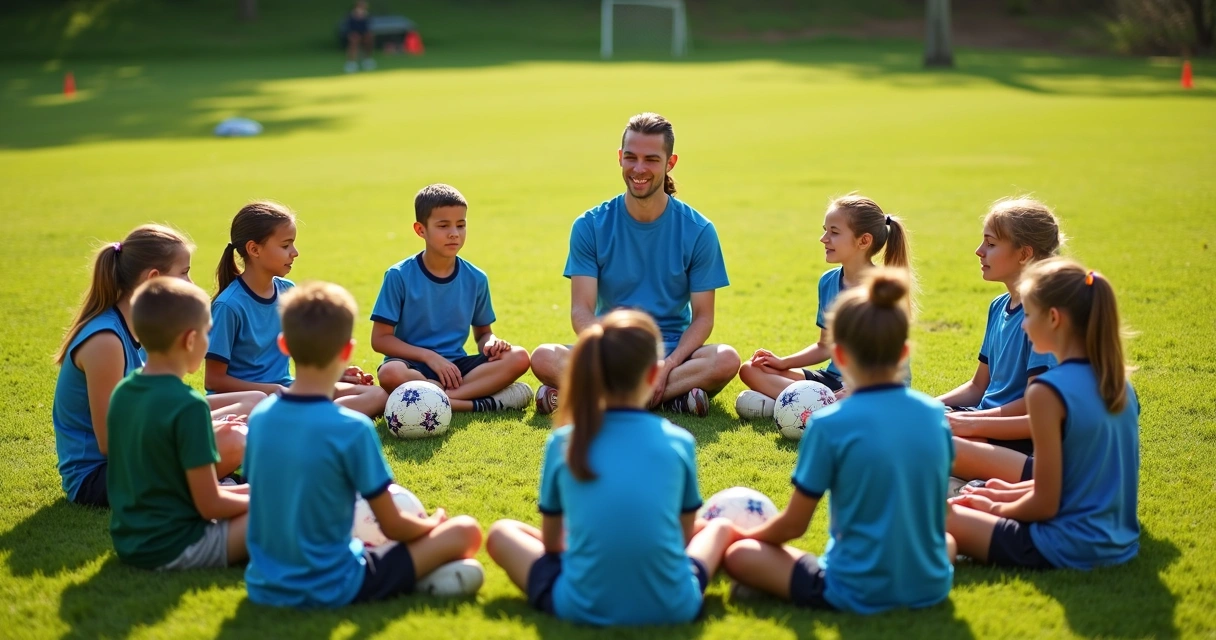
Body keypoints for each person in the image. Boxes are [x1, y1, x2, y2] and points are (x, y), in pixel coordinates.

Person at [723, 269, 954, 614]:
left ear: (841, 356)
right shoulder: (934, 414)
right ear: (903, 352)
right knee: (947, 542)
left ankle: (764, 582)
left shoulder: (828, 425)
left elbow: (794, 525)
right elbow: (941, 514)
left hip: (853, 588)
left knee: (741, 556)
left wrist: (736, 540)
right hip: (931, 583)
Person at [485, 310, 737, 625]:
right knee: (718, 527)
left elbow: (551, 546)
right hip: (674, 607)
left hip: (579, 605)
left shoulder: (563, 441)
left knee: (502, 532)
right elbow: (683, 539)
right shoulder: (680, 441)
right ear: (652, 376)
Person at [244, 281, 484, 608]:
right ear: (347, 351)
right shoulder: (351, 428)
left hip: (263, 584)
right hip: (334, 585)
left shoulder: (259, 418)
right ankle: (419, 577)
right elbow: (394, 525)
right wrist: (431, 523)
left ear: (284, 345)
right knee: (466, 531)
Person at [530, 113, 740, 418]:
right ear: (619, 158)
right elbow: (582, 311)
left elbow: (703, 318)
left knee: (726, 359)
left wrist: (667, 366)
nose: (639, 169)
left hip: (671, 352)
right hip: (608, 348)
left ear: (670, 162)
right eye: (631, 157)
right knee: (543, 357)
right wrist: (607, 352)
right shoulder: (590, 226)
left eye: (651, 159)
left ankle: (595, 396)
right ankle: (671, 399)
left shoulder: (699, 230)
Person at [947, 259, 1140, 570]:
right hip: (1116, 541)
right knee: (971, 496)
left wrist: (993, 506)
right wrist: (1006, 490)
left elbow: (1045, 503)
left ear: (1053, 318)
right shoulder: (1116, 382)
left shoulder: (1047, 392)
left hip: (1066, 545)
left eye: (1029, 314)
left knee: (933, 514)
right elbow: (1075, 479)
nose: (1023, 324)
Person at [52, 224, 262, 508]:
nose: (191, 282)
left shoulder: (137, 324)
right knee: (234, 440)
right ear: (154, 279)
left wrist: (205, 423)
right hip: (102, 476)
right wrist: (199, 429)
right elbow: (110, 443)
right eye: (184, 272)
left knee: (255, 402)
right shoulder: (105, 341)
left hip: (135, 454)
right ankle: (214, 483)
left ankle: (217, 477)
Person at [108, 278, 250, 570]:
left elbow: (183, 489)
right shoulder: (188, 406)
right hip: (177, 546)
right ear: (189, 340)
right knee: (285, 509)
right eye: (207, 334)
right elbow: (210, 505)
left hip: (130, 541)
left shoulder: (123, 392)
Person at [735, 195, 912, 419]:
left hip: (875, 386)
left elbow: (894, 362)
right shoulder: (829, 281)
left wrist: (855, 389)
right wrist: (782, 362)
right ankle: (818, 408)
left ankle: (804, 408)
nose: (823, 238)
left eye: (834, 232)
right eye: (825, 230)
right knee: (752, 369)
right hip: (831, 381)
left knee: (860, 400)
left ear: (863, 241)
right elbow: (825, 345)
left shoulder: (885, 289)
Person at [205, 201, 387, 418]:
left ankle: (306, 418)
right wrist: (274, 390)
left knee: (377, 395)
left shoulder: (288, 292)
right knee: (262, 403)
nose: (295, 252)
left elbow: (303, 353)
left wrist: (331, 375)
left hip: (288, 390)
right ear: (254, 249)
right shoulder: (229, 306)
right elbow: (214, 380)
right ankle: (315, 418)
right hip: (251, 400)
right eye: (285, 245)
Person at [371, 184, 532, 411]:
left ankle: (439, 400)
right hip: (411, 366)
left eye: (461, 225)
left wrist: (493, 344)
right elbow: (380, 340)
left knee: (518, 357)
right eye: (443, 225)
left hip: (456, 369)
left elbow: (483, 334)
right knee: (389, 373)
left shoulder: (476, 278)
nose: (454, 233)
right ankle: (477, 404)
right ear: (420, 230)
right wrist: (429, 357)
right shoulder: (398, 276)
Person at [938, 198, 1063, 462]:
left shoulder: (1042, 317)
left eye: (991, 244)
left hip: (1014, 436)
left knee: (919, 444)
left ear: (1024, 254)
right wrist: (931, 406)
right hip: (982, 420)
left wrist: (970, 421)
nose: (979, 251)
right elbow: (977, 386)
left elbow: (1033, 404)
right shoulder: (998, 306)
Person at [343, 0, 376, 73]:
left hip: (364, 34)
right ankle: (351, 62)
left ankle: (367, 59)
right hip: (354, 34)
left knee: (369, 38)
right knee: (354, 40)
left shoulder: (367, 15)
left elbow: (368, 28)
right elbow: (348, 27)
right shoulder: (350, 15)